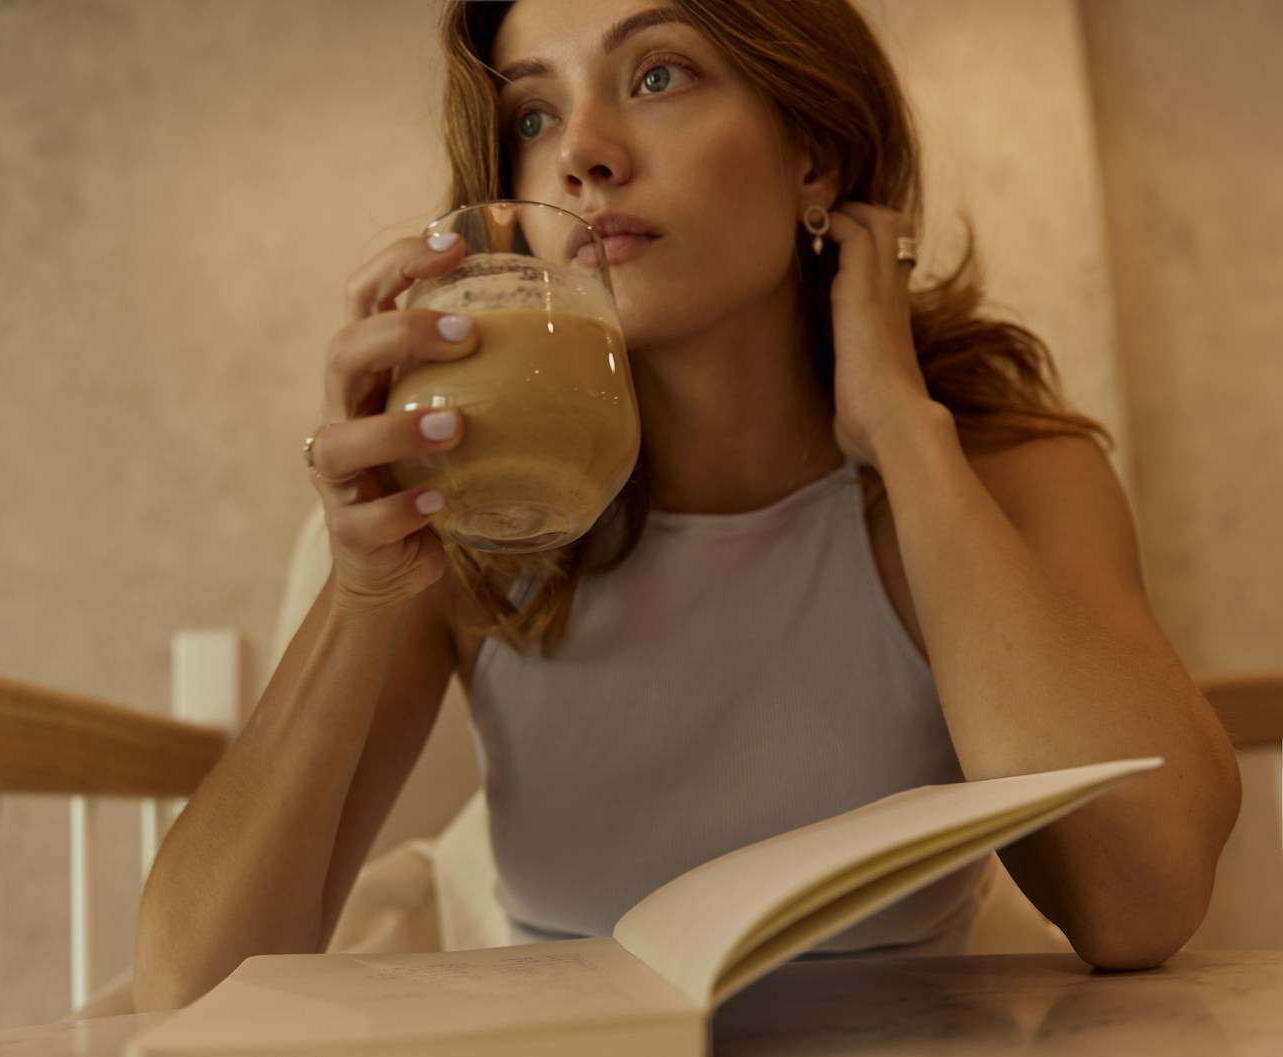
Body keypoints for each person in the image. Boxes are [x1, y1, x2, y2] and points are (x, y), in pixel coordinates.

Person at [132, 0, 1240, 1011]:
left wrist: (901, 431)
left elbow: (1136, 900)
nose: (581, 156)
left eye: (657, 76)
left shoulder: (1003, 472)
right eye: (531, 115)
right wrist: (366, 587)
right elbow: (192, 984)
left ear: (815, 153)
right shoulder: (475, 510)